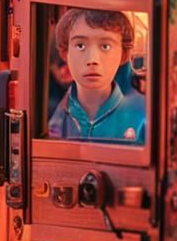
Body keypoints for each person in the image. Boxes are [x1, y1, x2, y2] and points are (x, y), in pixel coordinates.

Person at [47, 8, 146, 143]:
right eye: (80, 45)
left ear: (123, 54)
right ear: (65, 52)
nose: (93, 59)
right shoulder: (51, 116)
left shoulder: (142, 116)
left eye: (105, 46)